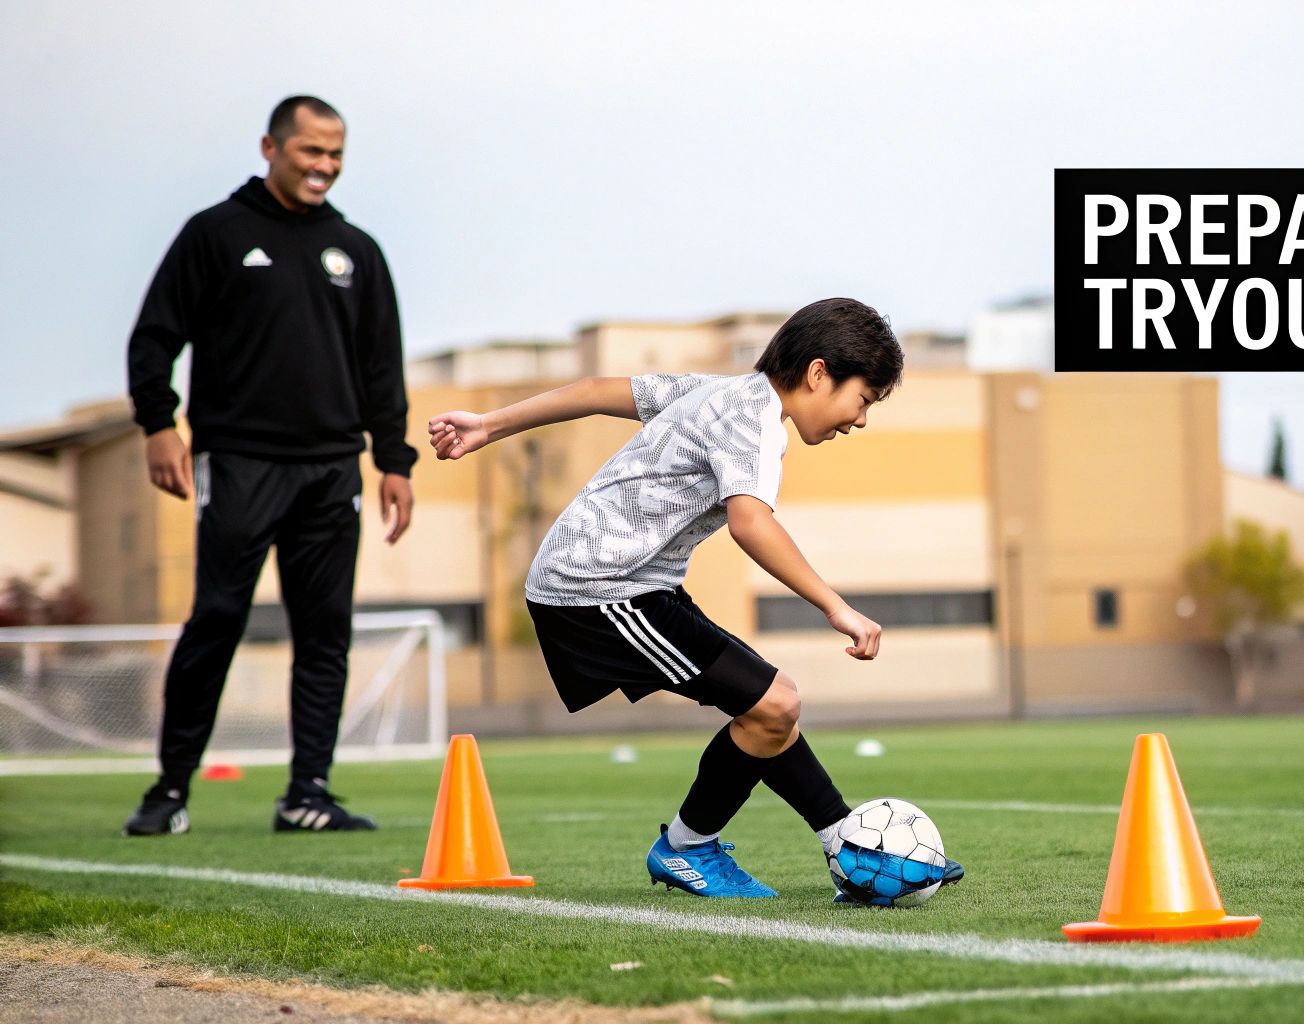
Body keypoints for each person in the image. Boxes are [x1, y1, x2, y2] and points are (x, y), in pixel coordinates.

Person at [426, 298, 960, 898]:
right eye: (862, 400)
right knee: (774, 701)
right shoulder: (753, 422)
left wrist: (491, 423)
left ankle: (847, 844)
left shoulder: (719, 392)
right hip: (593, 589)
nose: (859, 420)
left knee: (771, 706)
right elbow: (751, 523)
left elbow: (598, 388)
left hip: (636, 585)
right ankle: (686, 849)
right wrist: (836, 607)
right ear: (817, 374)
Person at [123, 96, 416, 836]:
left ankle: (307, 793)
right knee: (217, 618)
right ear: (270, 147)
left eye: (335, 155)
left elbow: (382, 370)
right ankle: (169, 791)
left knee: (325, 631)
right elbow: (153, 338)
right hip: (240, 462)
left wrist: (394, 461)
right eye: (310, 151)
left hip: (330, 470)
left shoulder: (358, 249)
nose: (323, 167)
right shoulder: (215, 234)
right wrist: (160, 424)